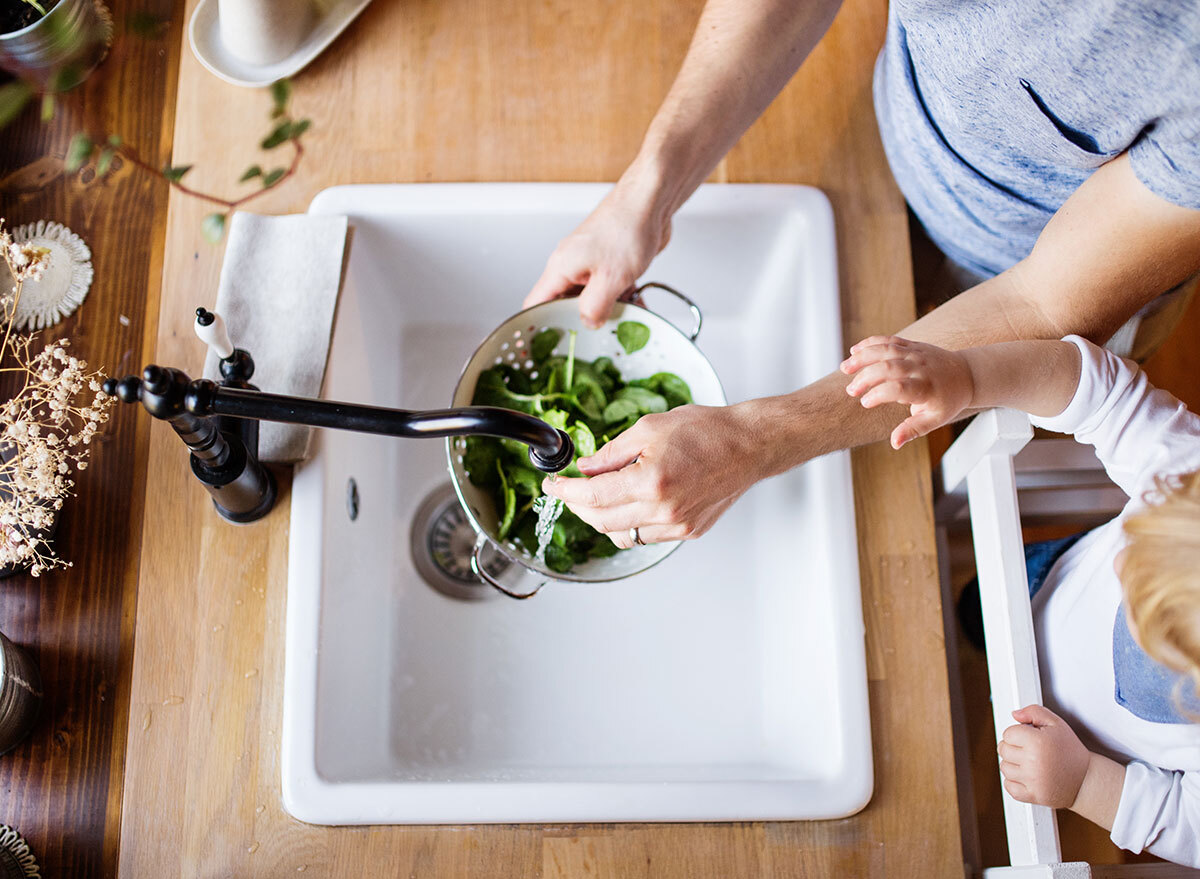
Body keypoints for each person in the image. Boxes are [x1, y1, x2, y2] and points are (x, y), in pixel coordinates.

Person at [527, 0, 1200, 549]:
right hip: (887, 140)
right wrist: (645, 194)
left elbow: (1046, 302)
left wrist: (756, 439)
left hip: (1013, 286)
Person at [838, 332, 1200, 865]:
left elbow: (1181, 821)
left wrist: (1082, 783)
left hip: (1067, 740)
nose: (1121, 562)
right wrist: (968, 377)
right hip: (1044, 581)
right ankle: (975, 619)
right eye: (1140, 542)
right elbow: (1103, 391)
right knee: (973, 608)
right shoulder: (1187, 474)